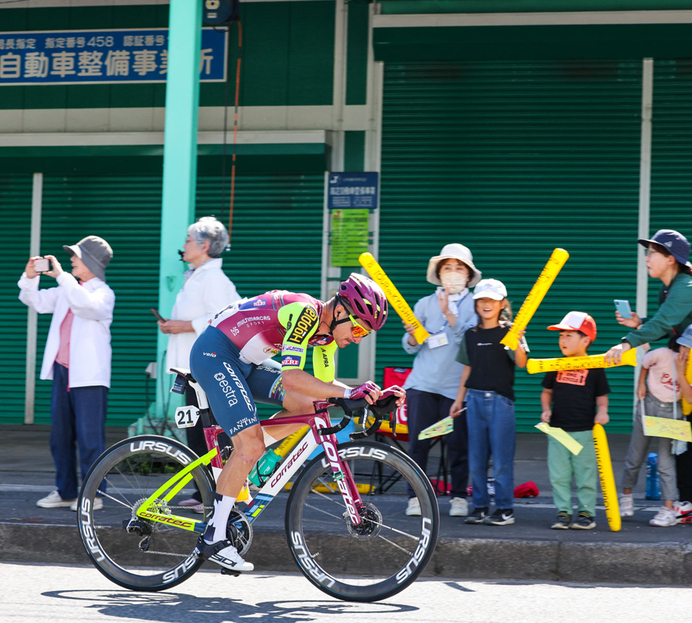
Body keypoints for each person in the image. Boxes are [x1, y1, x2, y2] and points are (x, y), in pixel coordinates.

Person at [189, 274, 404, 572]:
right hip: (215, 354)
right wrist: (349, 391)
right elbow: (291, 377)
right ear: (340, 311)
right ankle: (213, 536)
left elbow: (322, 388)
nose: (357, 338)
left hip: (245, 362)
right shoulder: (306, 313)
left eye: (364, 335)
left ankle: (243, 453)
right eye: (357, 328)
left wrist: (370, 397)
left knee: (312, 404)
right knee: (249, 445)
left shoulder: (327, 337)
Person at [605, 229, 692, 527]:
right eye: (647, 252)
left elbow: (665, 321)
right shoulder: (667, 288)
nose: (647, 258)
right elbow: (671, 326)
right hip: (684, 365)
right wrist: (641, 324)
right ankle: (686, 502)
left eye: (653, 253)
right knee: (682, 438)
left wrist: (627, 341)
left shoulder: (687, 286)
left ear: (671, 259)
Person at [19, 236, 115, 512]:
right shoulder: (66, 289)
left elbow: (85, 304)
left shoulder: (103, 293)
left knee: (89, 438)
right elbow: (33, 300)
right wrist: (29, 277)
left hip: (90, 378)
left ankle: (94, 495)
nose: (71, 259)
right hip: (63, 373)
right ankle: (66, 492)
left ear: (91, 262)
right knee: (59, 437)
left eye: (76, 255)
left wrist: (61, 276)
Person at [159, 217, 240, 512]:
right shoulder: (195, 276)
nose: (184, 245)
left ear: (204, 246)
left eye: (188, 240)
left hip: (209, 366)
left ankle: (220, 494)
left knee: (212, 430)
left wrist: (183, 325)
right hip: (192, 369)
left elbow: (224, 317)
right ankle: (203, 489)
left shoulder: (214, 280)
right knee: (196, 429)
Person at [402, 244, 480, 518]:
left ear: (469, 276)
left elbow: (471, 343)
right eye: (448, 267)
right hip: (422, 384)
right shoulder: (424, 303)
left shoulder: (477, 304)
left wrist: (449, 314)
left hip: (457, 388)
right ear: (438, 273)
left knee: (457, 445)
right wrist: (412, 336)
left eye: (460, 268)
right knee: (419, 445)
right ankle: (416, 497)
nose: (453, 273)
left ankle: (459, 497)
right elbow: (410, 346)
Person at [619, 324, 692, 527]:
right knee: (634, 456)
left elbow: (690, 397)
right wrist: (641, 384)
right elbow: (645, 363)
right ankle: (626, 496)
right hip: (649, 406)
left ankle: (668, 510)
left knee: (665, 463)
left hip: (672, 413)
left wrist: (681, 372)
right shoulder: (663, 354)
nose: (685, 352)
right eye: (684, 346)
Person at [450, 279, 528, 526]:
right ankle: (480, 507)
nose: (487, 304)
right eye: (482, 299)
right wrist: (458, 400)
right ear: (476, 303)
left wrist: (518, 340)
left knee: (503, 458)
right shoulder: (471, 335)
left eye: (492, 300)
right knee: (477, 458)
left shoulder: (510, 331)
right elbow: (467, 369)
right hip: (473, 401)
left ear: (502, 304)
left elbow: (522, 363)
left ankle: (505, 509)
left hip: (500, 402)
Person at [541, 312, 610, 530]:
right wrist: (545, 410)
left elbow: (601, 395)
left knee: (585, 474)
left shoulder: (595, 365)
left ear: (586, 340)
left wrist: (603, 411)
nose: (562, 340)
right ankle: (563, 512)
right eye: (561, 335)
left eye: (569, 335)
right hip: (558, 430)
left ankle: (586, 513)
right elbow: (546, 392)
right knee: (559, 475)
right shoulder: (556, 365)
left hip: (584, 431)